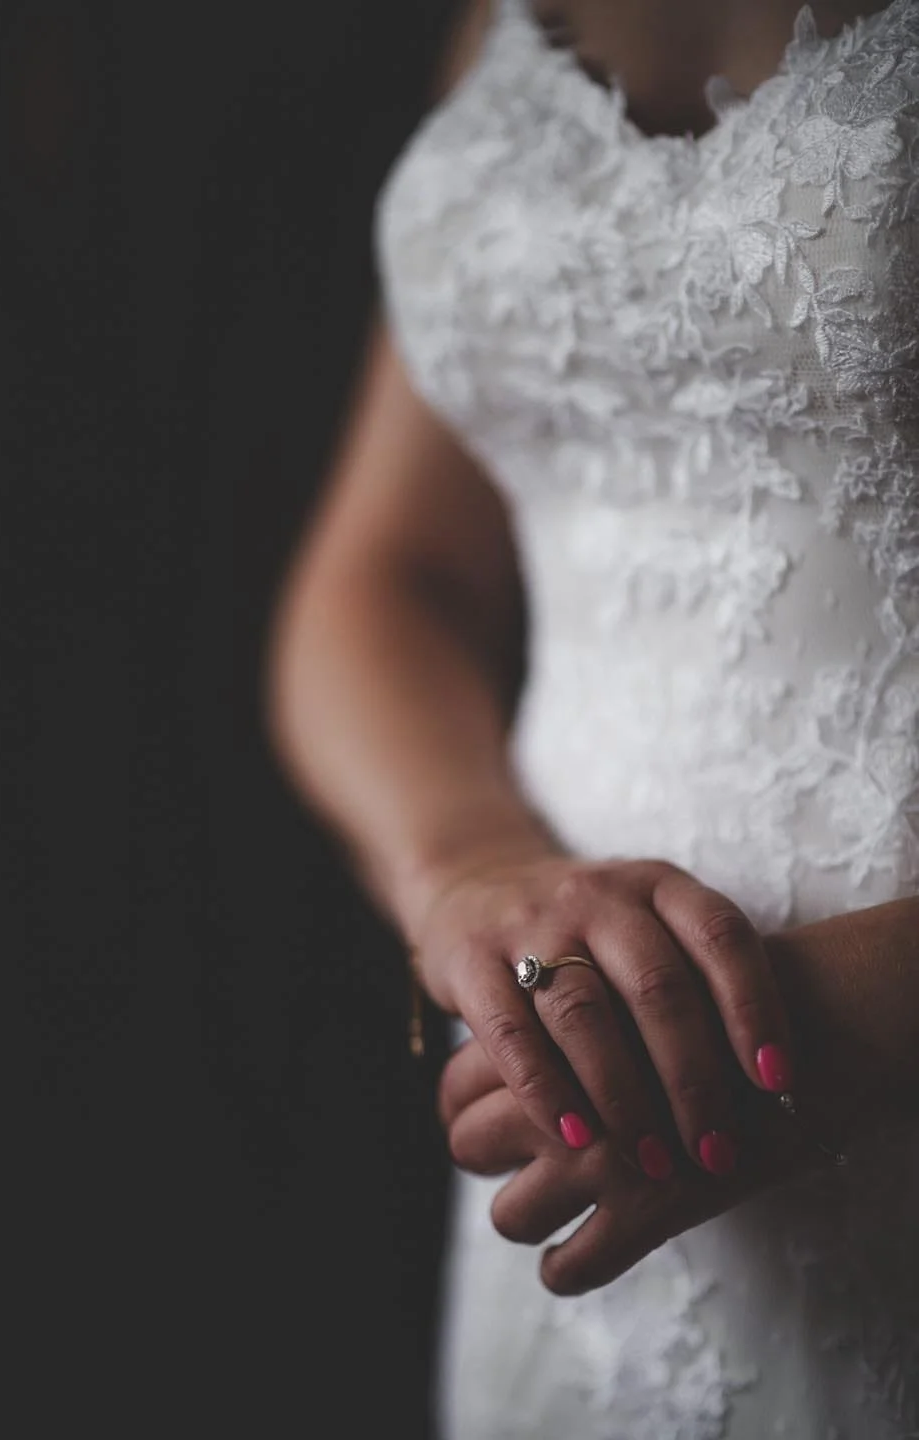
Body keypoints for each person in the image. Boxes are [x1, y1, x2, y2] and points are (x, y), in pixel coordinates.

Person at [269, 0, 919, 1435]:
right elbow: (388, 575)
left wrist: (850, 1018)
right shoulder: (491, 24)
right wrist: (470, 869)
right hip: (575, 1117)